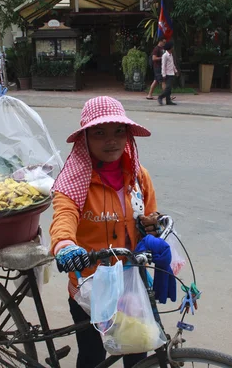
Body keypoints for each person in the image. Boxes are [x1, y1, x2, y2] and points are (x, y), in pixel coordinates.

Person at [50, 96, 162, 368]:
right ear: (85, 138)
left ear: (127, 135)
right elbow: (64, 216)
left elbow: (150, 215)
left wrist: (153, 224)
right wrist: (65, 245)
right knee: (92, 357)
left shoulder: (138, 175)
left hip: (132, 281)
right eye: (99, 133)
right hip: (90, 285)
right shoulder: (74, 181)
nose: (110, 140)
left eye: (118, 132)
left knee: (138, 349)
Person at [158, 41, 178, 106]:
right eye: (172, 47)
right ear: (170, 48)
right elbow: (163, 66)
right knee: (168, 88)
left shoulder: (171, 55)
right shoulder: (165, 55)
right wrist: (163, 75)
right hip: (167, 74)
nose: (173, 48)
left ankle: (168, 100)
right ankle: (160, 97)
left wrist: (175, 70)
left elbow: (172, 64)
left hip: (171, 73)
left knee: (169, 89)